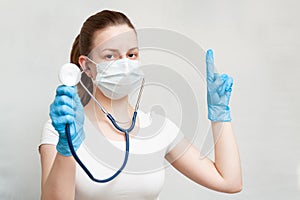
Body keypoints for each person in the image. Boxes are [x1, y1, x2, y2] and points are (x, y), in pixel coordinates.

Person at [38, 10, 242, 200]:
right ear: (87, 66)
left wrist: (220, 115)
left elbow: (229, 182)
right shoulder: (60, 130)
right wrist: (66, 148)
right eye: (110, 56)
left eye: (131, 54)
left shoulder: (158, 128)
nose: (125, 64)